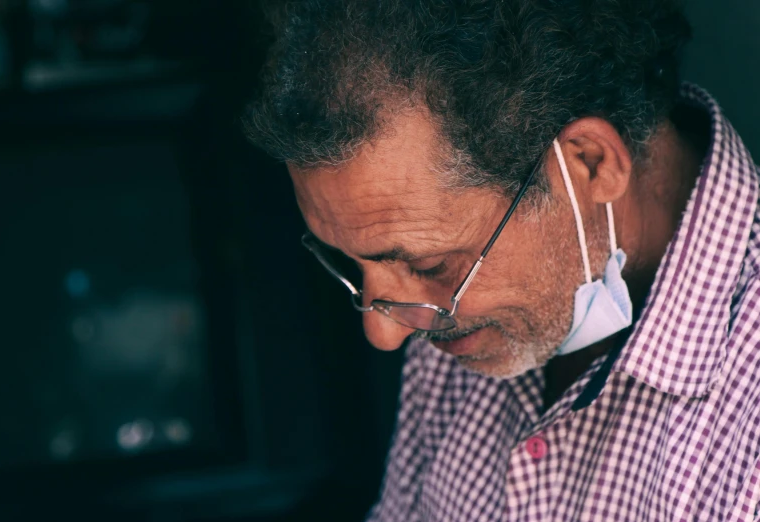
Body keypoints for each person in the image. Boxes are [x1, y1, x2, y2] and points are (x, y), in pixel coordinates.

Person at [243, 0, 760, 519]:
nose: (386, 334)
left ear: (590, 162)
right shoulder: (445, 302)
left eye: (429, 265)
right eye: (355, 265)